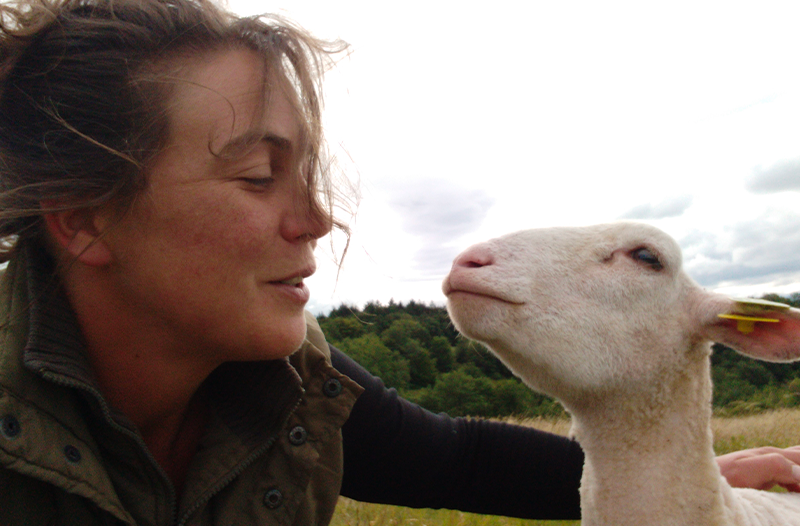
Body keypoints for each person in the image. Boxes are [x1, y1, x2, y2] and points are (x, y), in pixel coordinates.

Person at [0, 0, 798, 524]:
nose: (318, 219)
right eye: (254, 176)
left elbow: (457, 461)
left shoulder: (290, 384)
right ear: (82, 220)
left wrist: (687, 478)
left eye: (308, 174)